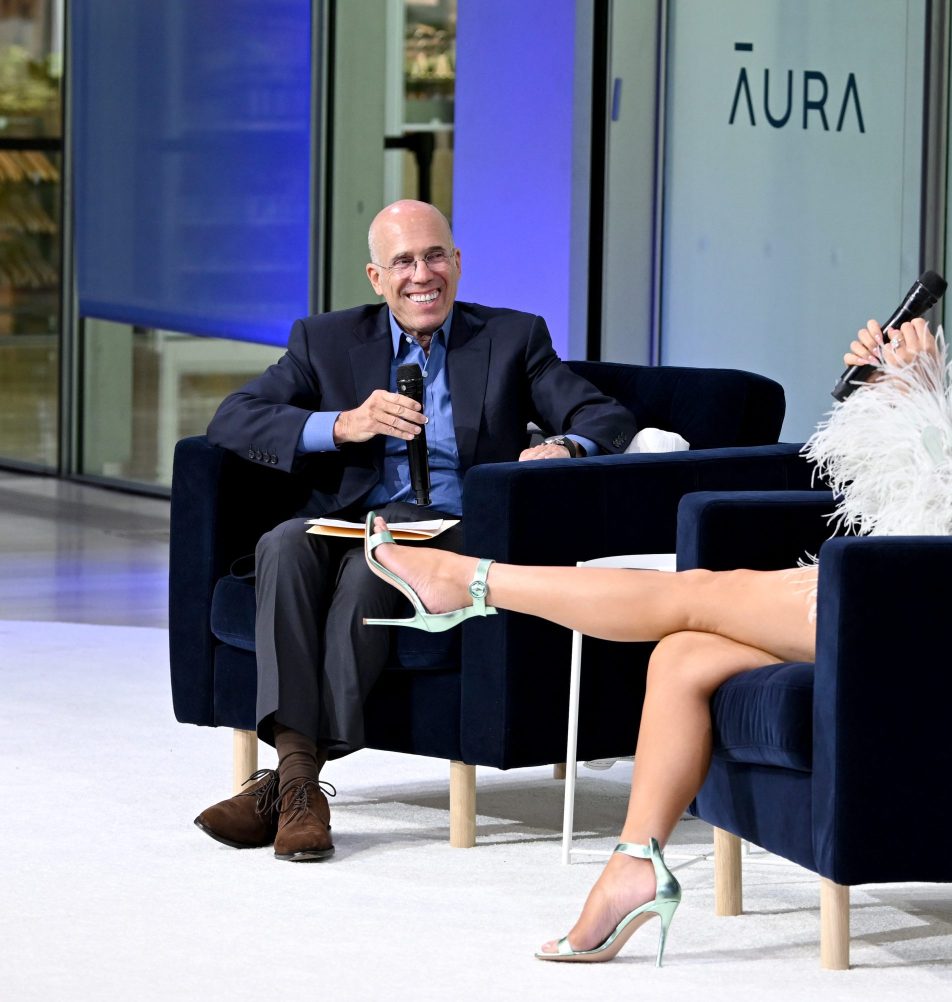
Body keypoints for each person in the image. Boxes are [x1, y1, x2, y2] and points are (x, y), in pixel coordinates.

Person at [363, 176, 952, 964]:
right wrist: (894, 390)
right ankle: (633, 870)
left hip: (950, 616)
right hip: (914, 589)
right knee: (683, 655)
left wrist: (919, 393)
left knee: (694, 596)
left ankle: (471, 582)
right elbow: (941, 488)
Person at [193, 199, 637, 862]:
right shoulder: (325, 340)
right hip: (346, 521)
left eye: (434, 257)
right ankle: (298, 786)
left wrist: (565, 446)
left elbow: (604, 417)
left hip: (450, 531)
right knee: (281, 542)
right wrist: (341, 424)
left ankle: (289, 785)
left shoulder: (514, 337)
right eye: (403, 262)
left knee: (374, 566)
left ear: (457, 263)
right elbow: (233, 417)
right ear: (377, 278)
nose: (421, 275)